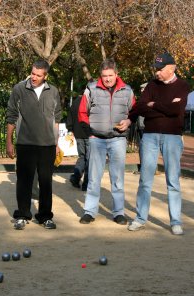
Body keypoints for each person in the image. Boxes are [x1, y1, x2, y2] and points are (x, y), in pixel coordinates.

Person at [123, 52, 190, 235]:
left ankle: (175, 221)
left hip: (173, 137)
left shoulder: (183, 86)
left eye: (160, 70)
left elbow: (177, 110)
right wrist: (162, 106)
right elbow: (142, 108)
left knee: (173, 180)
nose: (157, 73)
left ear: (172, 68)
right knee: (145, 179)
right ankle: (140, 218)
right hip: (150, 135)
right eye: (156, 69)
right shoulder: (151, 85)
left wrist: (154, 105)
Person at [78, 58, 136, 225]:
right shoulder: (91, 88)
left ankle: (118, 212)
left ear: (116, 74)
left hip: (118, 139)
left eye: (110, 75)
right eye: (104, 76)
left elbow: (134, 112)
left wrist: (129, 122)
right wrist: (91, 132)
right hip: (97, 139)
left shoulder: (127, 90)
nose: (108, 79)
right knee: (94, 178)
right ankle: (90, 211)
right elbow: (83, 112)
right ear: (100, 76)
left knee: (117, 178)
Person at [6, 60, 62, 230]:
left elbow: (57, 118)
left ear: (45, 76)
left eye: (38, 75)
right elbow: (11, 115)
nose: (34, 77)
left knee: (46, 182)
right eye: (33, 73)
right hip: (25, 143)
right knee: (24, 181)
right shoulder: (19, 89)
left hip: (47, 145)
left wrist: (56, 143)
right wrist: (9, 141)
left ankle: (45, 216)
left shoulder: (53, 91)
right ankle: (22, 215)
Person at [66, 95, 90, 191]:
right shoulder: (90, 101)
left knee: (82, 157)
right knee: (90, 159)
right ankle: (86, 184)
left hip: (78, 133)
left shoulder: (75, 102)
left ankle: (76, 178)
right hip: (89, 133)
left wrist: (70, 129)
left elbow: (70, 117)